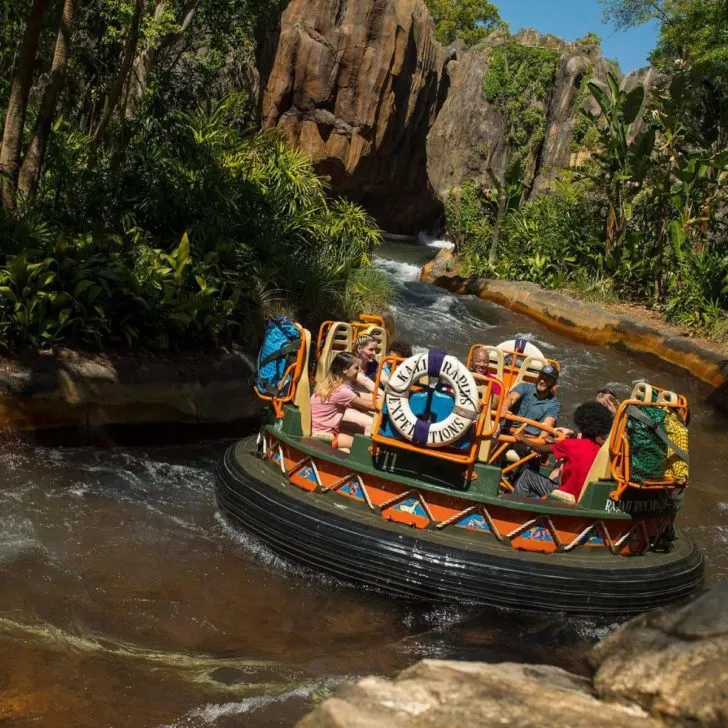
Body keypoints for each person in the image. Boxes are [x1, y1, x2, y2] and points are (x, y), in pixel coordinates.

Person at [512, 401, 614, 500]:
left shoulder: (570, 444)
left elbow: (539, 449)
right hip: (583, 498)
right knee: (557, 477)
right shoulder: (601, 450)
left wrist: (522, 438)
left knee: (527, 475)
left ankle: (516, 508)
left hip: (564, 495)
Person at [310, 352, 374, 451]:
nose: (360, 371)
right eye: (356, 368)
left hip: (316, 428)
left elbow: (359, 396)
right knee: (364, 445)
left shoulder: (328, 384)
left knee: (357, 430)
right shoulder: (342, 392)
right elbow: (369, 406)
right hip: (326, 435)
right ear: (345, 370)